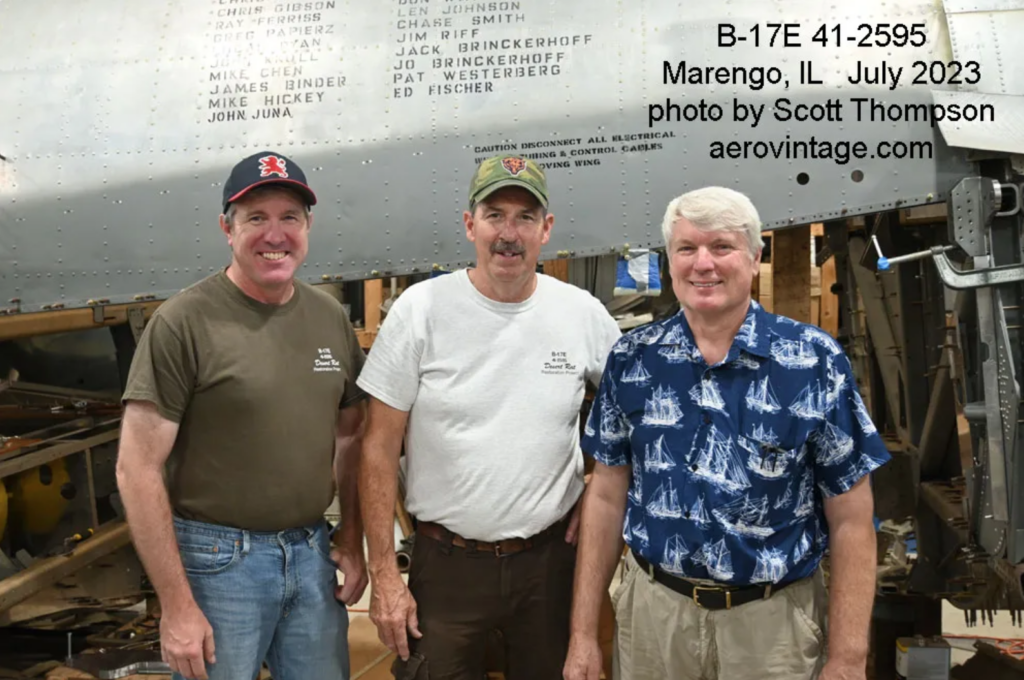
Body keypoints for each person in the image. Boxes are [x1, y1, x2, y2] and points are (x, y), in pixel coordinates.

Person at [564, 186, 890, 680]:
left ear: (755, 257)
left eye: (722, 247)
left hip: (773, 626)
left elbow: (850, 518)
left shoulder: (813, 361)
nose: (703, 264)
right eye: (687, 248)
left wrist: (848, 657)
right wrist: (584, 635)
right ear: (669, 260)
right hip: (656, 619)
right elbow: (607, 497)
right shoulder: (632, 360)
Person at [356, 155, 622, 680]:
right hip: (447, 567)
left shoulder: (582, 313)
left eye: (525, 217)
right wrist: (384, 574)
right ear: (469, 224)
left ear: (546, 229)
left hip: (548, 568)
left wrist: (596, 490)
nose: (509, 232)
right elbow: (377, 447)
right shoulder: (420, 309)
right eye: (494, 214)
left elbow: (633, 419)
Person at [115, 151, 369, 680]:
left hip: (310, 553)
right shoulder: (182, 323)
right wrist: (177, 606)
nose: (274, 234)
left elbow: (351, 438)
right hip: (217, 564)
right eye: (256, 218)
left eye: (289, 218)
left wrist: (351, 538)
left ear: (308, 227)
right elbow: (135, 468)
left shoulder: (328, 317)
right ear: (226, 229)